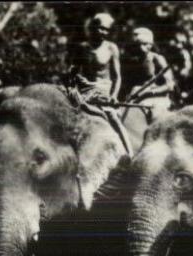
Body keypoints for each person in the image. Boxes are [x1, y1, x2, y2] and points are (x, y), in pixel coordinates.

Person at [70, 13, 131, 153]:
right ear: (93, 27)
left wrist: (114, 96)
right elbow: (73, 71)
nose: (103, 32)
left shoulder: (111, 48)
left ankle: (129, 153)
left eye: (106, 29)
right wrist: (76, 79)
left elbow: (117, 77)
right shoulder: (82, 47)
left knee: (113, 117)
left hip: (103, 91)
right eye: (100, 28)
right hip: (84, 91)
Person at [125, 27, 175, 120]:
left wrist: (146, 93)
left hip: (156, 100)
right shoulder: (133, 61)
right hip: (136, 100)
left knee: (155, 117)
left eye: (144, 44)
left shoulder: (157, 59)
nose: (140, 48)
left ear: (151, 44)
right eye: (137, 45)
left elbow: (170, 86)